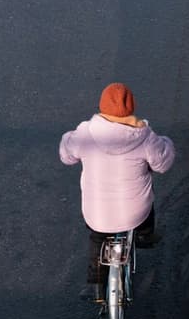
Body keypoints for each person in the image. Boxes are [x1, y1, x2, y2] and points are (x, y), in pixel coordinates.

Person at [59, 81, 175, 301]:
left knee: (97, 237)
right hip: (135, 214)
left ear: (102, 106)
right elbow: (163, 164)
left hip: (97, 213)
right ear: (131, 107)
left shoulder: (86, 133)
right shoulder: (145, 137)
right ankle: (145, 235)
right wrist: (166, 143)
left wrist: (69, 137)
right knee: (146, 199)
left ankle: (95, 284)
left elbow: (66, 155)